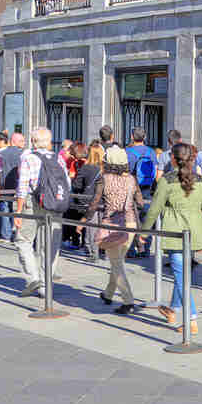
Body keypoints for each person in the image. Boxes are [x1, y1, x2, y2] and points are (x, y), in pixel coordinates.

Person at [140, 143, 202, 334]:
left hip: (175, 231)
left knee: (181, 276)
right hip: (195, 232)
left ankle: (192, 318)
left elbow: (154, 209)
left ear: (173, 159)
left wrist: (144, 233)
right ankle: (173, 309)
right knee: (182, 273)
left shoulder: (167, 180)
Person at [87, 145, 144, 314]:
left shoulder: (104, 179)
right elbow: (140, 202)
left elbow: (94, 202)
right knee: (118, 260)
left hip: (112, 224)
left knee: (116, 263)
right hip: (130, 224)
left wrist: (84, 219)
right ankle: (108, 293)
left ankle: (128, 301)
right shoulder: (132, 179)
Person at [12, 127, 65, 298]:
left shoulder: (29, 158)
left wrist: (18, 212)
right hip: (54, 205)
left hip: (32, 203)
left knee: (23, 240)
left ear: (33, 142)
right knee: (50, 245)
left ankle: (33, 278)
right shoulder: (59, 158)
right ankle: (46, 284)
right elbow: (67, 184)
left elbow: (22, 187)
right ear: (49, 142)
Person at [125, 128, 158, 257]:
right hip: (147, 189)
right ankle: (145, 249)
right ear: (144, 137)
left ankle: (131, 249)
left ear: (132, 137)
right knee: (146, 220)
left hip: (132, 189)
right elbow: (155, 171)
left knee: (131, 219)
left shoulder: (128, 152)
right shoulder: (151, 152)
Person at [68, 142, 103, 255]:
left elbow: (76, 185)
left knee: (90, 224)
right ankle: (103, 250)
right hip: (102, 200)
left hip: (88, 199)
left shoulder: (86, 167)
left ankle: (91, 250)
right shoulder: (105, 168)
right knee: (101, 225)